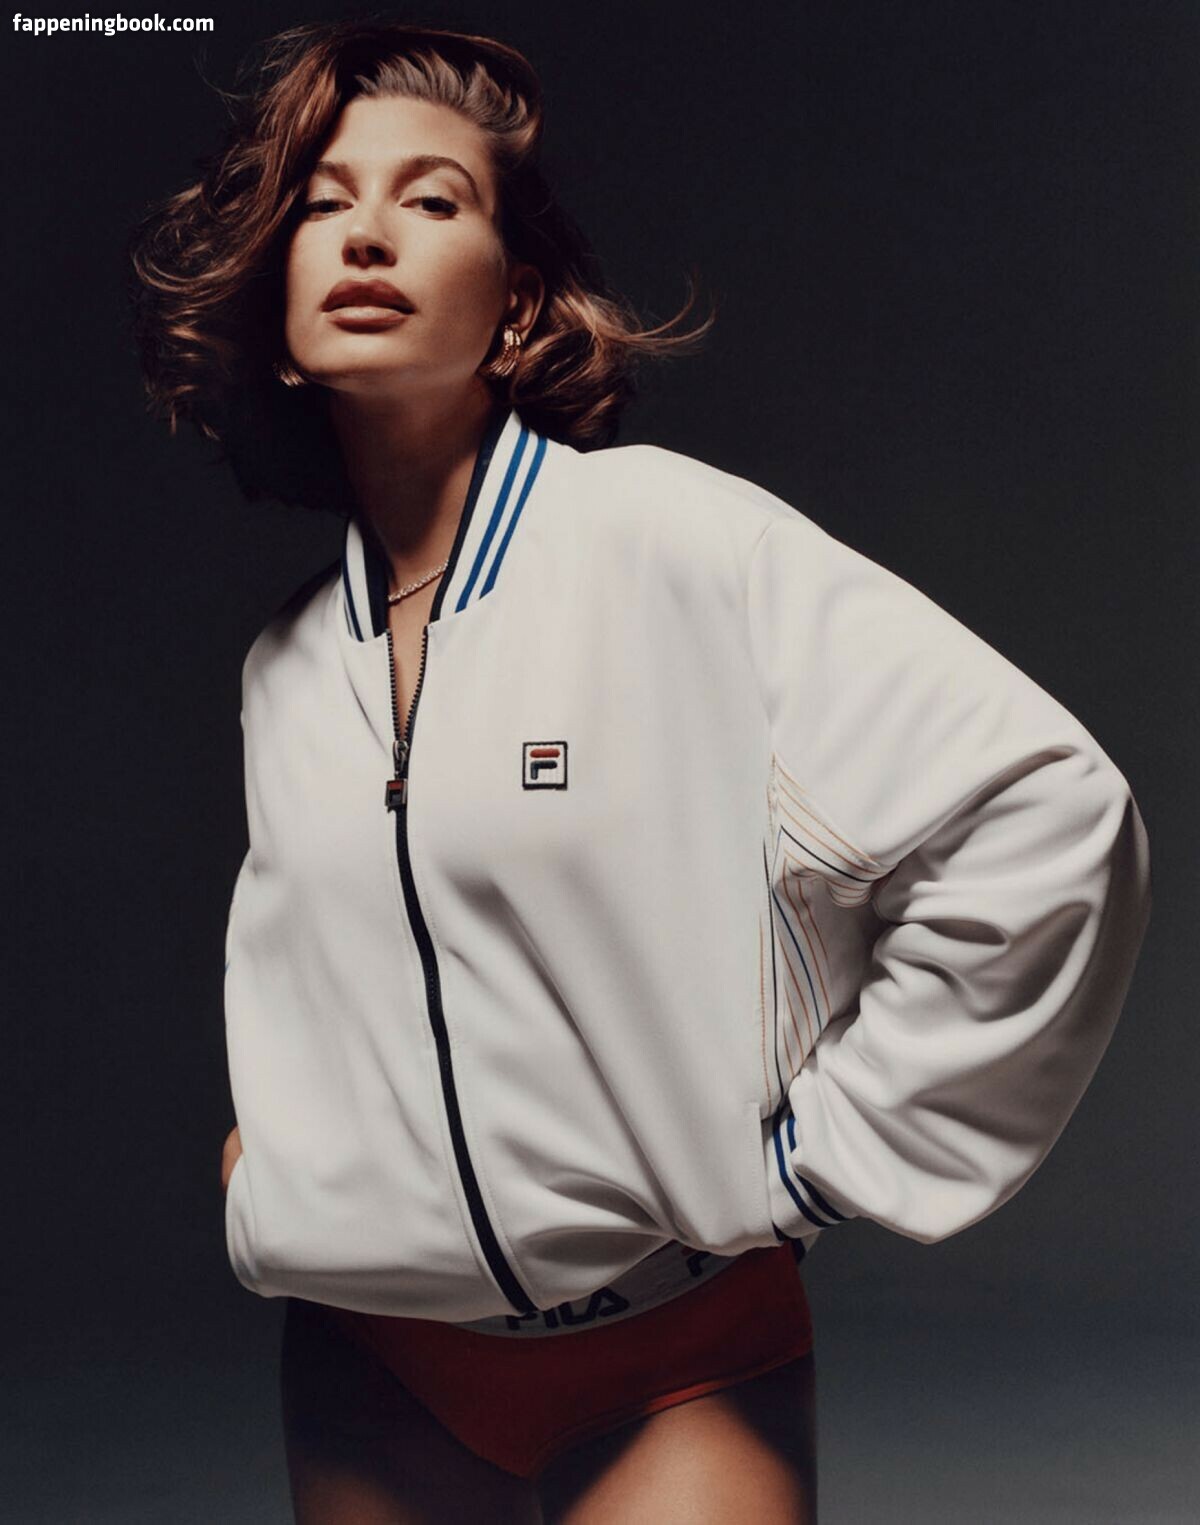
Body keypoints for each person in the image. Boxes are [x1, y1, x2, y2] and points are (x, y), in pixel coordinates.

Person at [127, 19, 1151, 1524]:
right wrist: (282, 1167)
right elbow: (341, 967)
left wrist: (820, 1163)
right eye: (324, 205)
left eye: (432, 199)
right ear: (279, 316)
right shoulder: (285, 665)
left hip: (676, 1356)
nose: (367, 234)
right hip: (369, 1369)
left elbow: (1045, 812)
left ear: (515, 303)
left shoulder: (670, 542)